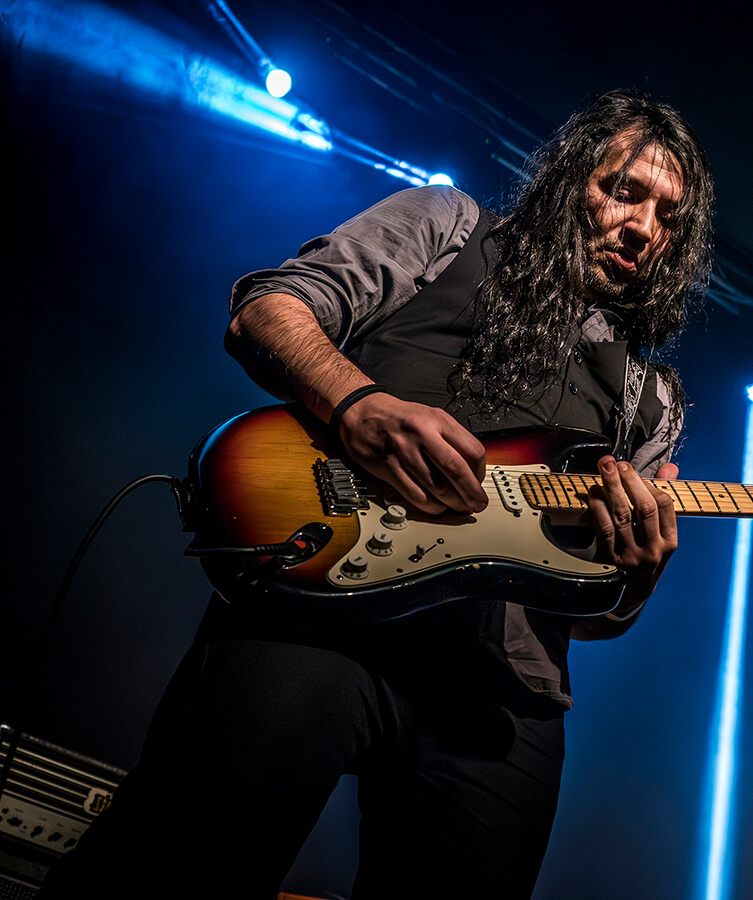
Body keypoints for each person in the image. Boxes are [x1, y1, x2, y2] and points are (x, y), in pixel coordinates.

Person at [40, 89, 713, 899]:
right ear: (573, 179)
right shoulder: (448, 223)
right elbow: (268, 309)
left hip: (501, 690)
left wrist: (637, 576)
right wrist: (357, 406)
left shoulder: (652, 401)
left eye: (668, 217)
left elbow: (593, 612)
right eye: (624, 190)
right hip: (322, 601)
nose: (643, 227)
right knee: (173, 868)